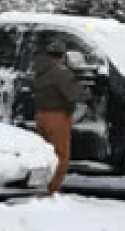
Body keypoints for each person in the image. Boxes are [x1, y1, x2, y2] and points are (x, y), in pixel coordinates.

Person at [32, 39, 89, 195]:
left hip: (40, 115)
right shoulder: (61, 72)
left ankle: (39, 185)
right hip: (56, 117)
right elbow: (74, 94)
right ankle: (51, 190)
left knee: (45, 154)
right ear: (63, 56)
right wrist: (87, 94)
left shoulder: (40, 69)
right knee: (61, 156)